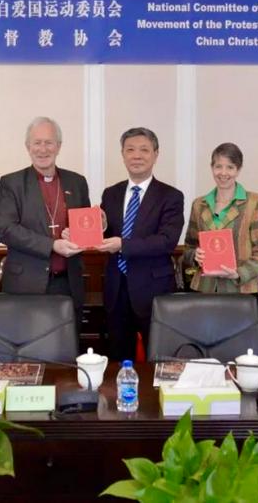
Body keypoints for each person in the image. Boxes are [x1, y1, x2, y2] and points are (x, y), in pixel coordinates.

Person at [99, 128, 184, 360]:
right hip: (116, 290)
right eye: (130, 150)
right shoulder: (111, 194)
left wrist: (123, 245)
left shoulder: (171, 196)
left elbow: (166, 241)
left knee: (160, 359)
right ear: (123, 155)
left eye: (144, 150)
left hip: (154, 290)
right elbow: (105, 234)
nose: (137, 156)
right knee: (118, 358)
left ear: (156, 154)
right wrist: (99, 227)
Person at [0, 117, 90, 324]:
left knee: (66, 347)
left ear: (58, 146)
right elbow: (6, 229)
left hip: (68, 282)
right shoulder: (11, 183)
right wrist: (53, 244)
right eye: (37, 143)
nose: (43, 149)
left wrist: (91, 227)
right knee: (26, 347)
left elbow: (84, 226)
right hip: (25, 283)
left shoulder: (77, 182)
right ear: (28, 146)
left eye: (49, 142)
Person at [183, 142, 258, 294]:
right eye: (218, 166)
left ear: (238, 170)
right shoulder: (199, 204)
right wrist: (195, 255)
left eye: (230, 167)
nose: (223, 173)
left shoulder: (254, 202)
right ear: (212, 168)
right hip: (204, 288)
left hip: (241, 289)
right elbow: (189, 247)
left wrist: (239, 273)